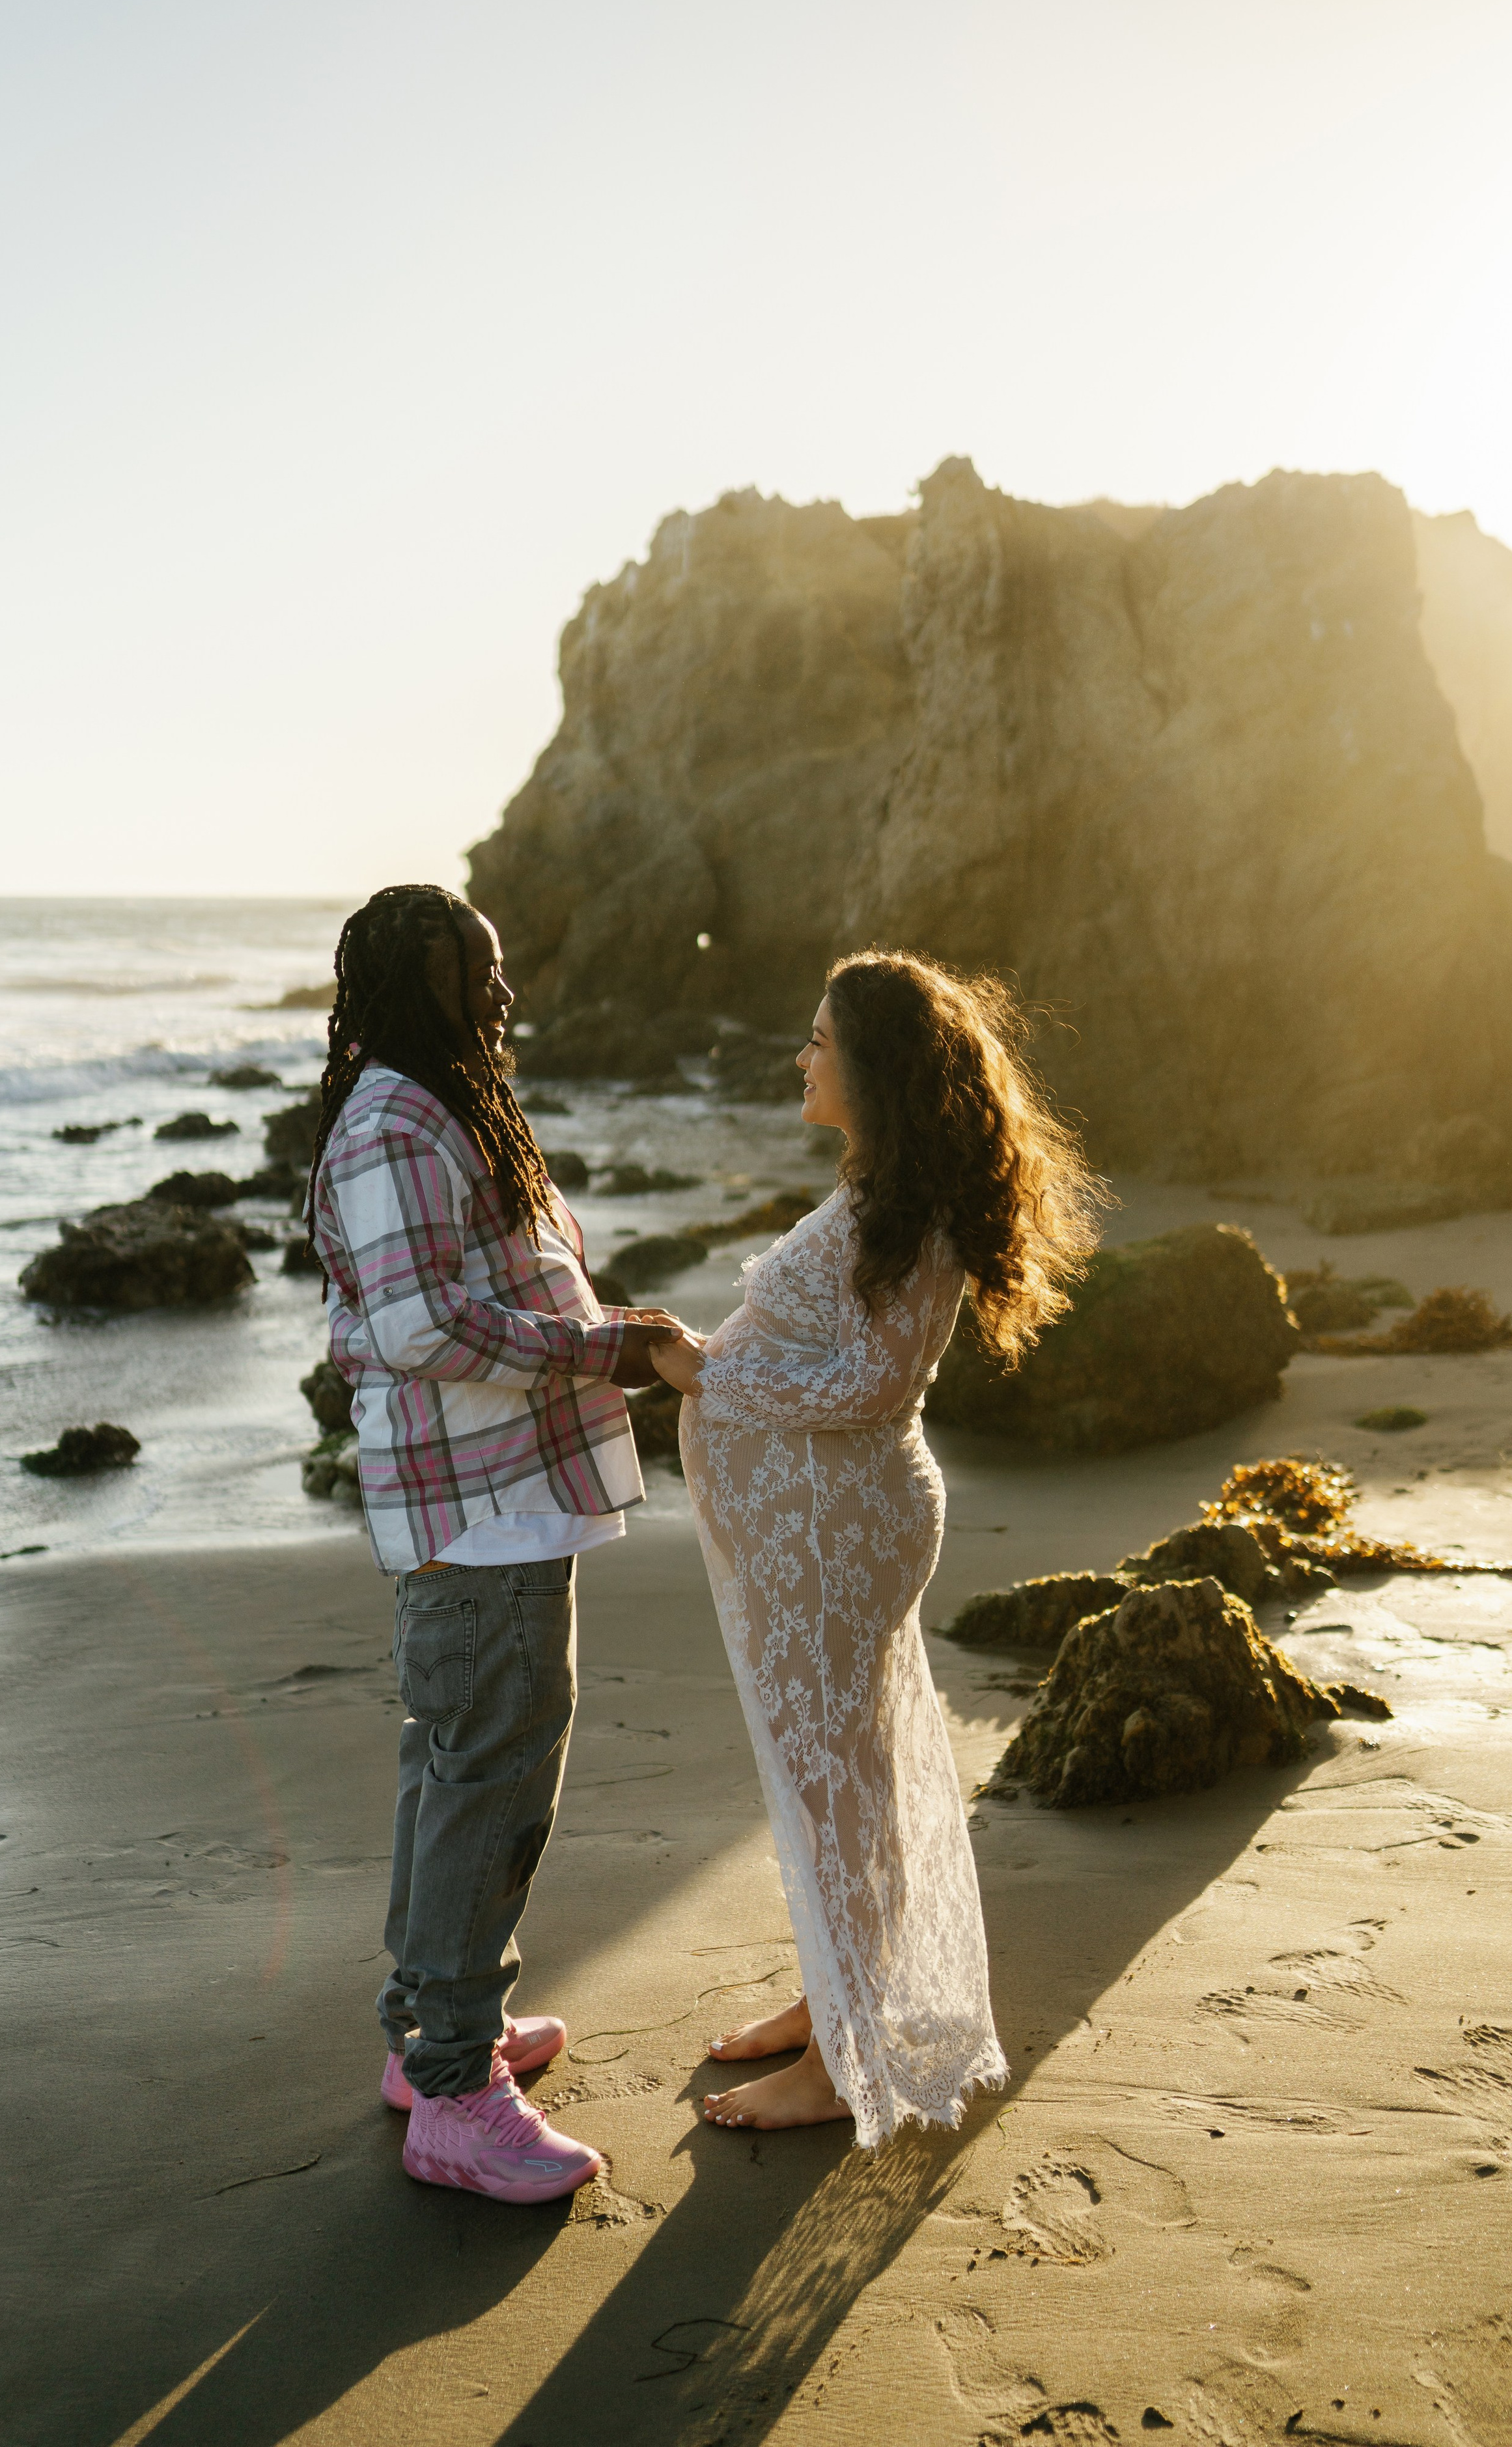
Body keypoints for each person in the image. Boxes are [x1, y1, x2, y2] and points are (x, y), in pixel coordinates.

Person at [649, 951, 1104, 2144]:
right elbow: (836, 1358)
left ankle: (842, 2064)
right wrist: (707, 1362)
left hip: (841, 1529)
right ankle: (833, 1998)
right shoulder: (886, 1189)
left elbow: (871, 1380)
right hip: (825, 1526)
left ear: (874, 1064)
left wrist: (705, 1369)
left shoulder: (913, 1207)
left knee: (832, 1781)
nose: (801, 1058)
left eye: (818, 1041)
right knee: (844, 1775)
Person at [307, 883, 678, 2204]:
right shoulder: (399, 1118)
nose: (502, 992)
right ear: (422, 985)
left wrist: (608, 1325)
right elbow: (415, 1327)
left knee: (454, 1764)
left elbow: (407, 1312)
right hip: (480, 1506)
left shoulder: (436, 1102)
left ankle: (431, 2037)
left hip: (494, 1492)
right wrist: (607, 1350)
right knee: (490, 1779)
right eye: (479, 972)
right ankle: (458, 2094)